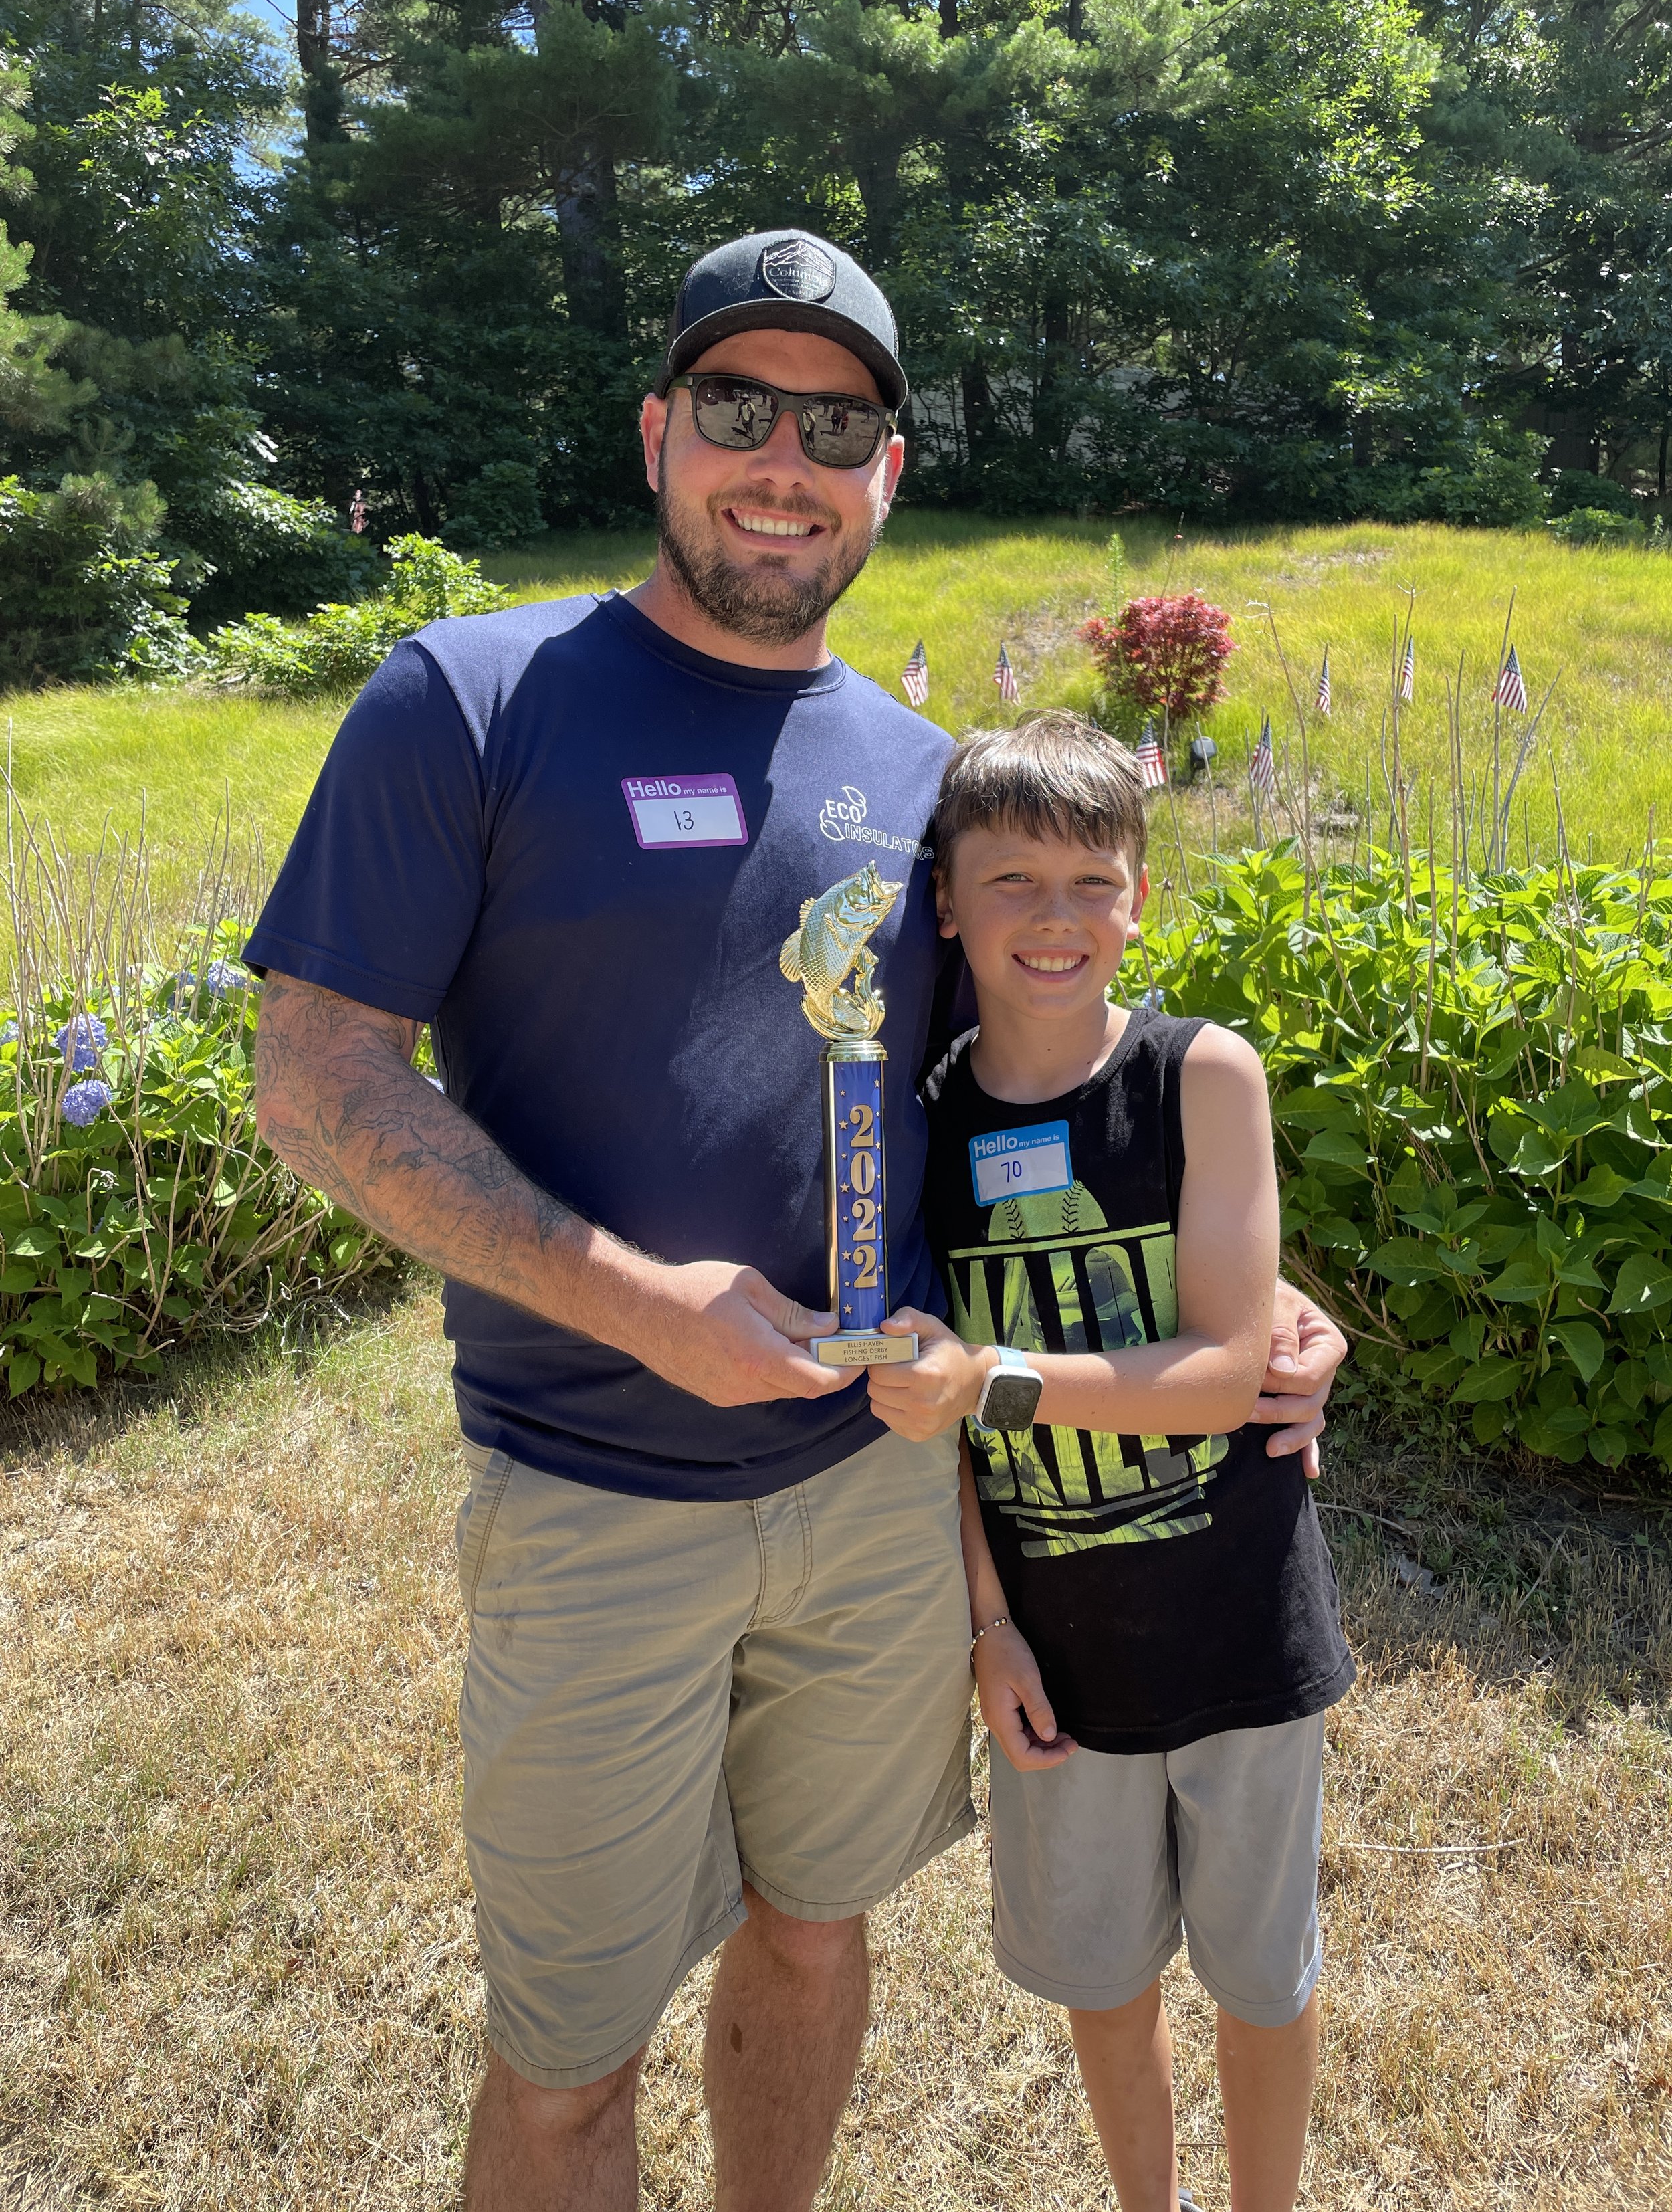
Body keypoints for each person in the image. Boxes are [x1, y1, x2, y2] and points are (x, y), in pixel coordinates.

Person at [244, 229, 1346, 2212]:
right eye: (739, 408)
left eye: (833, 422)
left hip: (870, 1490)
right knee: (568, 2052)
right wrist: (633, 1301)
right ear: (660, 429)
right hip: (591, 1492)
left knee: (818, 1932)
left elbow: (1038, 1074)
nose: (783, 459)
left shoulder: (922, 776)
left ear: (889, 474)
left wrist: (1259, 1293)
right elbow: (316, 1078)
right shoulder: (473, 695)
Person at [865, 713, 1356, 2212]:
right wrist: (986, 1625)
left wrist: (990, 1378)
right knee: (1104, 1975)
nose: (1054, 916)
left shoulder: (1202, 1075)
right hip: (1057, 1651)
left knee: (1262, 1977)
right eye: (1008, 879)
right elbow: (927, 1422)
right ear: (943, 899)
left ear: (1139, 891)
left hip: (1240, 1630)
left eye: (1092, 877)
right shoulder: (915, 1122)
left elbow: (1220, 1373)